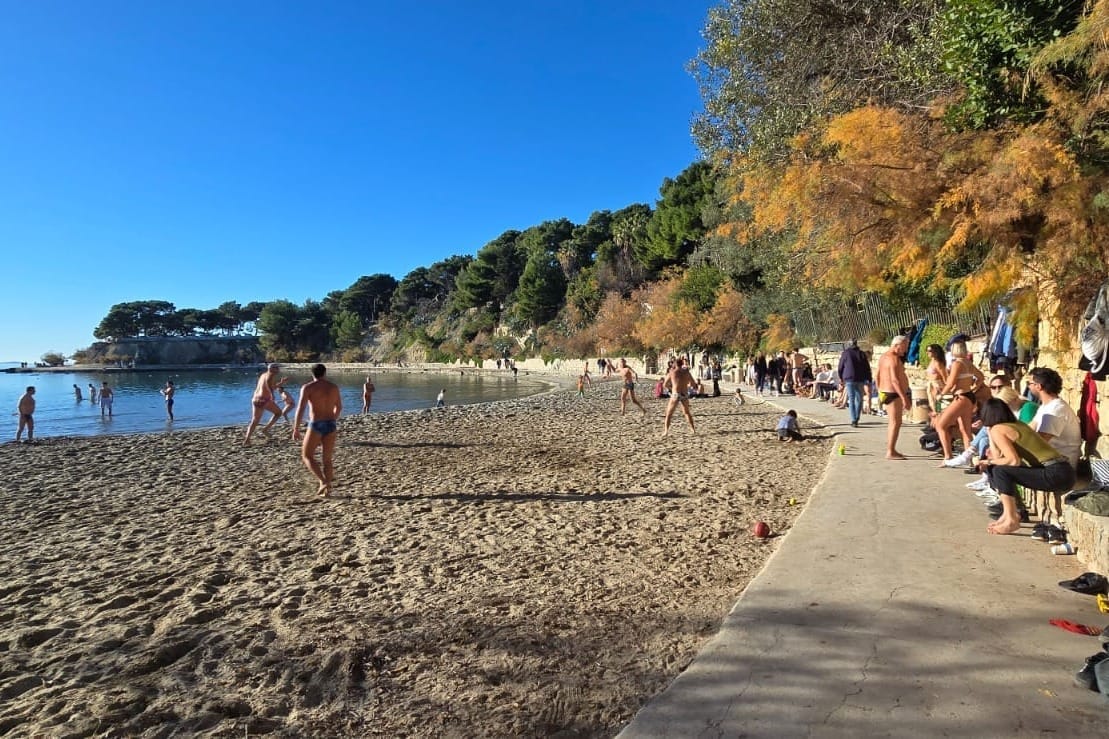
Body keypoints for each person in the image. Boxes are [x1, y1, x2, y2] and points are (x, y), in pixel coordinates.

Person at [975, 398, 1075, 535]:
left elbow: (1012, 461)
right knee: (998, 468)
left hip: (1054, 473)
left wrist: (988, 462)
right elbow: (998, 457)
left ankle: (1012, 518)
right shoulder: (1016, 424)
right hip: (1062, 471)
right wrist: (990, 434)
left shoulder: (999, 429)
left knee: (999, 470)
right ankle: (1008, 514)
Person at [292, 363, 343, 498]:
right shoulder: (333, 387)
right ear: (325, 373)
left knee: (307, 455)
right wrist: (333, 419)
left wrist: (296, 428)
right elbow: (339, 407)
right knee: (327, 459)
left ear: (312, 374)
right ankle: (327, 490)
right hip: (331, 423)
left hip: (316, 423)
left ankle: (323, 481)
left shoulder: (308, 387)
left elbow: (301, 409)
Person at [932, 341, 986, 465]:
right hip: (969, 396)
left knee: (941, 425)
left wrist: (941, 395)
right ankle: (970, 459)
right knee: (965, 430)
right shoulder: (969, 363)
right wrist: (974, 388)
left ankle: (948, 457)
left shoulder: (957, 363)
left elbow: (950, 383)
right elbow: (981, 377)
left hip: (961, 397)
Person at [875, 335, 911, 459]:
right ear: (897, 345)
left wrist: (879, 390)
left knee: (893, 422)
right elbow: (895, 381)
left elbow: (877, 375)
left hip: (885, 392)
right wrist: (904, 398)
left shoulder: (883, 357)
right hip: (893, 393)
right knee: (895, 422)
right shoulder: (894, 359)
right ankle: (891, 451)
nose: (905, 350)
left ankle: (891, 450)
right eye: (904, 346)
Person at [244, 363, 288, 445]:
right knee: (278, 413)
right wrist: (272, 395)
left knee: (255, 420)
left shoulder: (263, 375)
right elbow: (269, 385)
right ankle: (265, 429)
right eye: (277, 368)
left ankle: (247, 439)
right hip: (264, 399)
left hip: (255, 399)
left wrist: (281, 383)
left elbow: (271, 386)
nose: (278, 370)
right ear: (272, 369)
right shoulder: (270, 375)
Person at [837, 339, 872, 427]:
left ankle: (854, 419)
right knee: (859, 399)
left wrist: (841, 377)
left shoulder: (846, 353)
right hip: (860, 378)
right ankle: (856, 417)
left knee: (852, 399)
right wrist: (869, 378)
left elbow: (840, 366)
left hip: (849, 378)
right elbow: (867, 367)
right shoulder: (861, 354)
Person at [662, 357, 697, 436]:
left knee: (669, 414)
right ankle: (693, 430)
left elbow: (665, 384)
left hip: (675, 394)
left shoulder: (672, 372)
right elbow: (693, 384)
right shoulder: (687, 372)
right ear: (682, 364)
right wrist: (687, 385)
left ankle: (666, 431)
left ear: (675, 364)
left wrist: (671, 389)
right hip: (684, 394)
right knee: (687, 413)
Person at [923, 344, 948, 412]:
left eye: (929, 351)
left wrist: (946, 388)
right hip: (931, 386)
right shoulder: (932, 361)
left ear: (935, 352)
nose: (927, 352)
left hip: (937, 386)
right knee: (933, 406)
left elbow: (945, 377)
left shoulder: (938, 363)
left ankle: (939, 419)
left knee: (938, 407)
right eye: (927, 350)